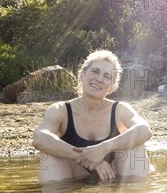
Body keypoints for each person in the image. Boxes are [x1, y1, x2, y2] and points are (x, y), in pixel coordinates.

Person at [32, 50, 152, 183]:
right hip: (75, 174)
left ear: (111, 87)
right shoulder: (60, 110)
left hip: (115, 174)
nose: (99, 79)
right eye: (95, 71)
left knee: (135, 146)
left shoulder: (120, 109)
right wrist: (87, 158)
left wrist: (105, 147)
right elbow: (39, 137)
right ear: (82, 75)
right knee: (49, 154)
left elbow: (144, 130)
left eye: (107, 76)